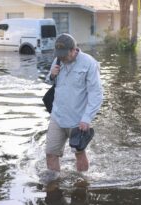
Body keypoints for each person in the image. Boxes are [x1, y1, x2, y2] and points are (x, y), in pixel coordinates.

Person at [45, 33, 103, 174]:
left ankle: (82, 182)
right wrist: (51, 75)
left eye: (65, 54)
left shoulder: (89, 63)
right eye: (59, 54)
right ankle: (54, 184)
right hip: (57, 116)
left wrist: (87, 118)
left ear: (73, 50)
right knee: (50, 153)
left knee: (79, 153)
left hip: (78, 120)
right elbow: (49, 81)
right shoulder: (58, 60)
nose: (62, 58)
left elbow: (96, 93)